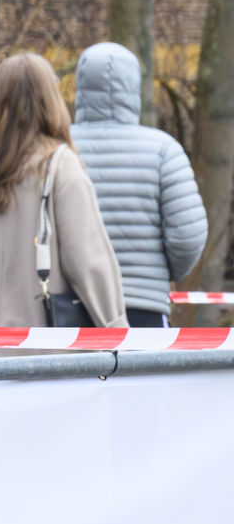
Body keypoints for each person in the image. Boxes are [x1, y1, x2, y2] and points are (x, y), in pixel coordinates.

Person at [0, 54, 125, 354]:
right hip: (41, 358)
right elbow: (89, 263)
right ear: (50, 100)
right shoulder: (59, 166)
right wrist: (118, 332)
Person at [69, 42, 205, 326]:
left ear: (80, 86)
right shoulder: (163, 150)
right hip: (144, 307)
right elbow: (188, 234)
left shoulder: (57, 148)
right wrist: (161, 273)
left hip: (71, 308)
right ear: (133, 87)